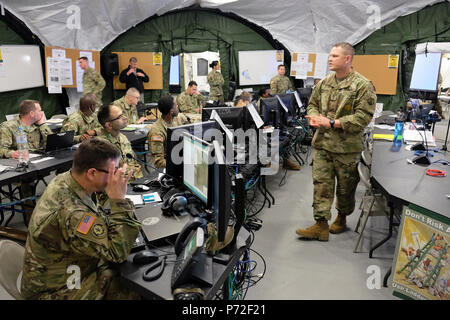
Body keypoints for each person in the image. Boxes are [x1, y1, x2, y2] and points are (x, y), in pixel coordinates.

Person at [21, 138, 141, 300]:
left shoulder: (68, 179)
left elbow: (97, 215)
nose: (116, 177)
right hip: (56, 290)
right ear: (91, 173)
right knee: (133, 288)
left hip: (69, 269)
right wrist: (119, 201)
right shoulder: (72, 213)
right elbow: (116, 252)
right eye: (113, 172)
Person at [296, 42, 376, 241]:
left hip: (346, 148)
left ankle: (341, 218)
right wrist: (314, 117)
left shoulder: (362, 85)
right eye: (330, 55)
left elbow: (362, 118)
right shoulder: (324, 83)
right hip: (322, 144)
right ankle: (320, 225)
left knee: (345, 188)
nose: (330, 59)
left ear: (347, 59)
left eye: (335, 56)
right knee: (321, 185)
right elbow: (312, 104)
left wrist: (332, 122)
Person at [0, 99, 54, 223]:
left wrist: (43, 125)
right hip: (19, 166)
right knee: (27, 181)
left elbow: (51, 143)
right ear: (31, 113)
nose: (42, 113)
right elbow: (1, 149)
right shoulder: (8, 127)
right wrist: (13, 153)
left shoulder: (37, 125)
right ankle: (30, 219)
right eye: (39, 110)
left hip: (38, 162)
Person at [96, 104, 143, 180]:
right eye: (119, 117)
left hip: (135, 182)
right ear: (109, 125)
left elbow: (134, 163)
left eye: (123, 114)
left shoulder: (123, 137)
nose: (124, 117)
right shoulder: (101, 146)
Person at [148, 95, 189, 168]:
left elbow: (191, 120)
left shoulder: (177, 118)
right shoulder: (157, 131)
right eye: (176, 105)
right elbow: (159, 162)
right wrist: (180, 164)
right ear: (171, 111)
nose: (177, 106)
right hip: (171, 166)